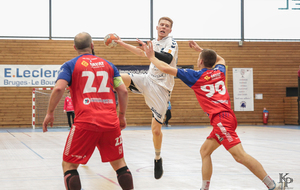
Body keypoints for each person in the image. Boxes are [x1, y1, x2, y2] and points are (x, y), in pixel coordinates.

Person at [138, 39, 285, 190]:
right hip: (228, 117)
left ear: (200, 61)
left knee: (239, 155)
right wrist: (200, 49)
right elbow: (221, 59)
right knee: (205, 151)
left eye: (198, 58)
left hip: (221, 119)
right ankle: (204, 188)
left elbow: (165, 68)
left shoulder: (195, 76)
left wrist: (151, 57)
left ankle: (273, 186)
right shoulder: (220, 71)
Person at [43, 32, 134, 190]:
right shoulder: (109, 66)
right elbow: (123, 91)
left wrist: (49, 113)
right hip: (110, 122)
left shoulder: (70, 65)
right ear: (92, 46)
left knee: (69, 165)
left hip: (85, 122)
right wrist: (122, 116)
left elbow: (58, 88)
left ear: (74, 47)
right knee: (119, 163)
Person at [115, 17, 178, 179]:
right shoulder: (152, 43)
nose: (163, 27)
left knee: (156, 131)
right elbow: (139, 52)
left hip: (161, 89)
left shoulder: (172, 42)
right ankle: (107, 111)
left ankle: (157, 158)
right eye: (161, 25)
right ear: (157, 27)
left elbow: (167, 59)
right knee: (116, 79)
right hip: (147, 79)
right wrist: (121, 43)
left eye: (167, 26)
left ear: (170, 30)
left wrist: (150, 52)